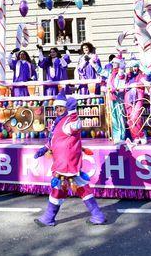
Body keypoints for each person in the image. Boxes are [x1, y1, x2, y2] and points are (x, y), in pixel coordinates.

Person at [33, 92, 106, 226]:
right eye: (56, 108)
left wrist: (73, 112)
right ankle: (97, 215)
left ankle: (48, 218)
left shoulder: (68, 120)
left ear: (66, 108)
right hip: (65, 162)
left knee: (58, 188)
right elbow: (54, 140)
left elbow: (76, 126)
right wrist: (44, 149)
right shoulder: (58, 122)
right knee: (81, 186)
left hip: (66, 163)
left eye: (61, 107)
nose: (58, 110)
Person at [102, 55, 127, 143]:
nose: (114, 64)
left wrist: (121, 64)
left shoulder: (120, 73)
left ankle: (121, 136)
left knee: (120, 116)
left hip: (118, 97)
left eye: (115, 63)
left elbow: (121, 76)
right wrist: (93, 63)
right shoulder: (110, 73)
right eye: (113, 63)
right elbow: (101, 72)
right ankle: (116, 136)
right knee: (113, 117)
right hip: (111, 97)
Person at [123, 59, 147, 145]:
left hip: (138, 97)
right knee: (130, 119)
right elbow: (121, 81)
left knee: (136, 117)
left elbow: (145, 82)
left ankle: (142, 135)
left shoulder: (142, 75)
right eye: (133, 67)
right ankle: (136, 137)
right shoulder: (127, 76)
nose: (134, 68)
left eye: (136, 66)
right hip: (128, 98)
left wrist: (136, 85)